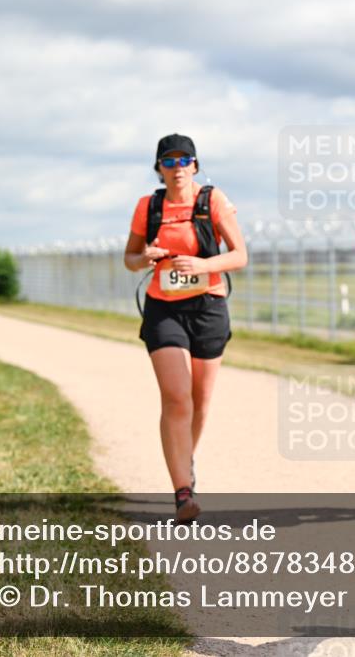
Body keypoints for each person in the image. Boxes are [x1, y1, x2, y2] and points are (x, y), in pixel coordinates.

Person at [124, 134, 247, 523]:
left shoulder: (213, 201)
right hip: (164, 309)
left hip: (208, 306)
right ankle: (182, 492)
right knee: (177, 397)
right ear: (159, 168)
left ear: (195, 165)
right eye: (169, 161)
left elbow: (239, 255)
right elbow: (129, 258)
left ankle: (184, 461)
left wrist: (202, 266)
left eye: (184, 161)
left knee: (200, 400)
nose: (177, 168)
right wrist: (144, 257)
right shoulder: (149, 206)